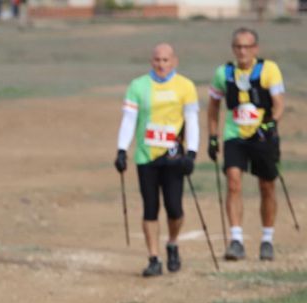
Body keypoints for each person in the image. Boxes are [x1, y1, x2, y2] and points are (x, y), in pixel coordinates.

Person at [114, 43, 199, 277]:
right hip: (146, 156)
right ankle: (153, 258)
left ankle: (172, 243)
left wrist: (191, 153)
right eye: (157, 60)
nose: (161, 65)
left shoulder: (185, 86)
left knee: (174, 208)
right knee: (150, 208)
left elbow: (191, 120)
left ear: (174, 61)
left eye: (165, 60)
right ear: (151, 61)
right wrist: (122, 150)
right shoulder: (138, 86)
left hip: (173, 157)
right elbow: (129, 119)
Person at [207, 27, 285, 262]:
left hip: (262, 136)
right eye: (238, 47)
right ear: (233, 49)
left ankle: (267, 239)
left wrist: (270, 124)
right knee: (233, 181)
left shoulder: (269, 70)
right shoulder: (223, 73)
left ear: (255, 49)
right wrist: (212, 137)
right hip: (234, 136)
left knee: (267, 186)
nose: (242, 51)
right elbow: (213, 107)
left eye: (246, 47)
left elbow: (278, 104)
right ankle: (236, 240)